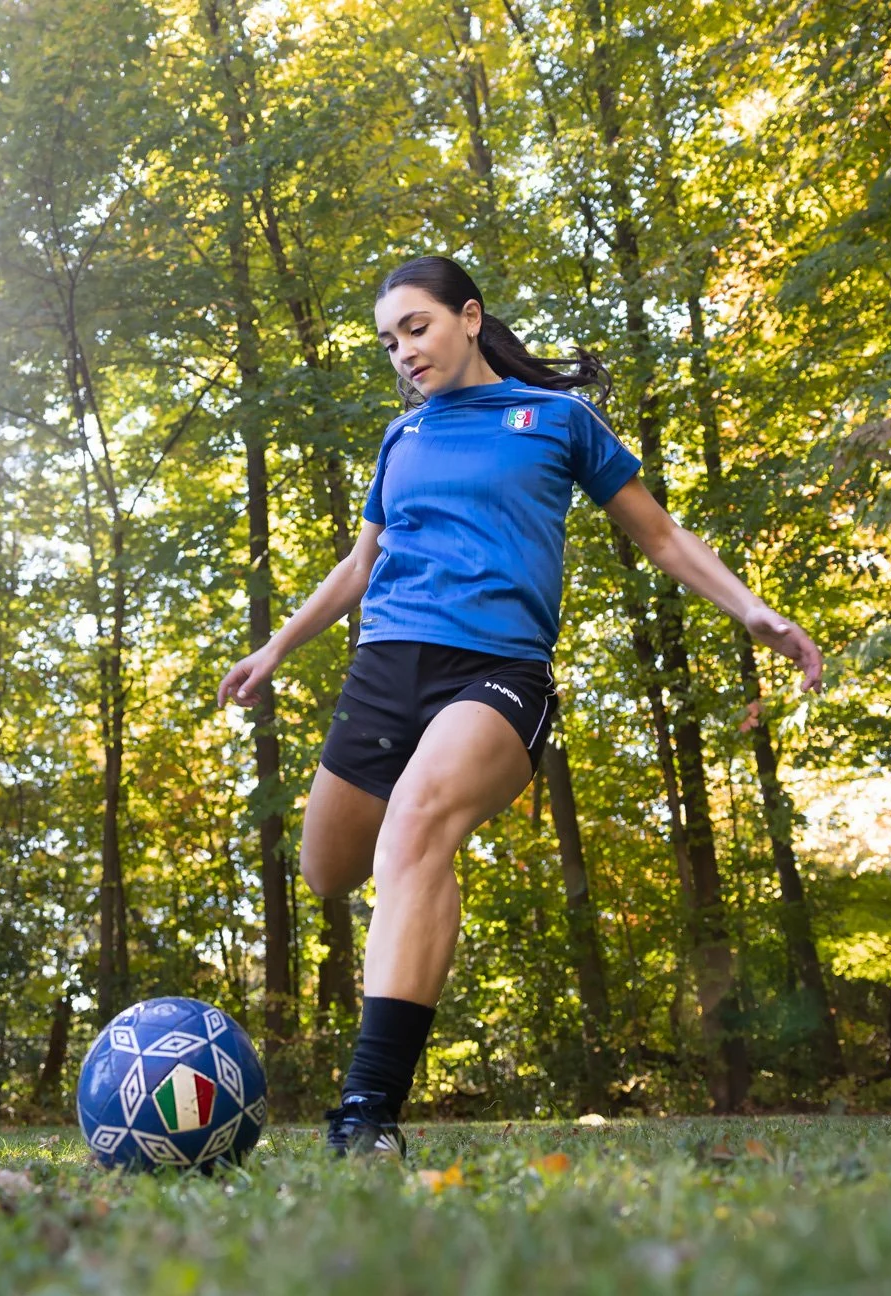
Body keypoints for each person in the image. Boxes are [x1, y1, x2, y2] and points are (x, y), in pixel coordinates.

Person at [215, 255, 824, 1157]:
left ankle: (367, 1113)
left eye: (416, 328)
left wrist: (753, 610)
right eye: (389, 341)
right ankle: (393, 1011)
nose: (403, 353)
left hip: (496, 671)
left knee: (417, 829)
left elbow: (657, 532)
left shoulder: (559, 420)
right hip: (386, 667)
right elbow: (359, 566)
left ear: (470, 316)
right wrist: (276, 646)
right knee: (328, 873)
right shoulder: (403, 439)